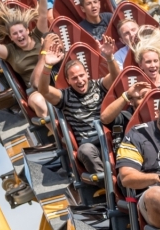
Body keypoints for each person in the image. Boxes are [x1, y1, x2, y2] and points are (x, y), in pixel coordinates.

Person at [34, 34, 121, 178]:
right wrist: (48, 65)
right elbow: (43, 89)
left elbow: (116, 77)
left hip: (110, 137)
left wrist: (110, 57)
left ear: (87, 75)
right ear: (68, 81)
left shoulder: (98, 85)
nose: (79, 80)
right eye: (74, 78)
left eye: (81, 76)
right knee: (85, 150)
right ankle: (109, 183)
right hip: (90, 144)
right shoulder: (65, 96)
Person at [116, 91, 160, 230]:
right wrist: (157, 178)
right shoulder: (138, 134)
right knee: (156, 194)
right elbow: (126, 177)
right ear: (157, 113)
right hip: (151, 197)